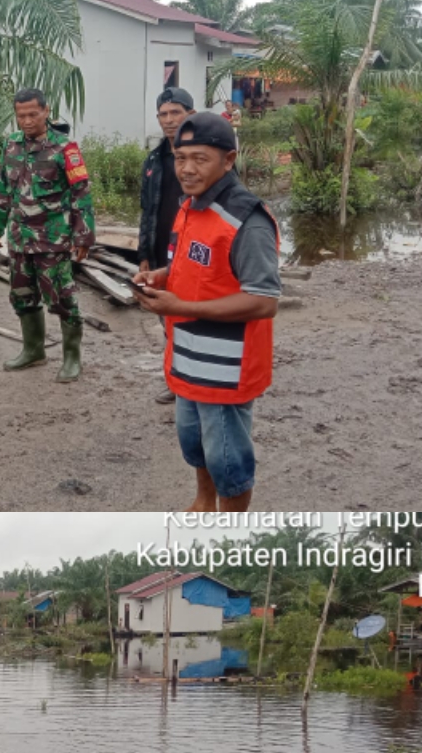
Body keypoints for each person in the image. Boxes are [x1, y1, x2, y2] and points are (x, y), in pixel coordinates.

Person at [133, 112, 280, 512]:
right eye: (181, 158)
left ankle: (229, 526)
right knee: (194, 441)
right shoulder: (190, 207)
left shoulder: (247, 220)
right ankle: (203, 499)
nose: (187, 168)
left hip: (226, 367)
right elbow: (194, 269)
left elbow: (265, 301)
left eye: (200, 158)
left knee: (227, 457)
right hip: (186, 356)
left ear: (228, 160)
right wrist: (162, 277)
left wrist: (181, 306)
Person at [0, 87, 95, 382]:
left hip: (52, 239)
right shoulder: (11, 145)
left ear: (46, 112)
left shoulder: (65, 147)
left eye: (33, 114)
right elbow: (1, 188)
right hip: (20, 239)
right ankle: (33, 350)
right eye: (21, 115)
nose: (27, 120)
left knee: (62, 298)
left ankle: (72, 358)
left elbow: (81, 193)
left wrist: (83, 236)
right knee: (22, 295)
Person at [138, 87, 196, 406]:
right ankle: (176, 381)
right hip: (164, 253)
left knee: (196, 316)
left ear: (191, 113)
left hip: (197, 253)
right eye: (163, 114)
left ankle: (197, 382)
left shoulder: (206, 156)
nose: (169, 119)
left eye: (176, 112)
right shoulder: (154, 160)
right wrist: (144, 255)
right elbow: (147, 210)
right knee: (168, 320)